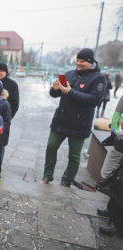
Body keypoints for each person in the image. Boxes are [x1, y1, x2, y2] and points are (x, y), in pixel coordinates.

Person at [41, 48, 106, 187]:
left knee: (74, 156)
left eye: (82, 61)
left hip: (79, 124)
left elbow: (94, 99)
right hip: (61, 120)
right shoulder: (69, 74)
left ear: (91, 62)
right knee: (51, 147)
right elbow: (54, 94)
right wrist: (55, 88)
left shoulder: (98, 78)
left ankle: (66, 180)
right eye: (78, 60)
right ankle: (47, 175)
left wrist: (70, 92)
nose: (79, 63)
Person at [97, 97, 123, 236]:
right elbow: (118, 113)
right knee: (107, 173)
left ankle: (117, 219)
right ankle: (114, 206)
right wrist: (114, 131)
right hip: (119, 140)